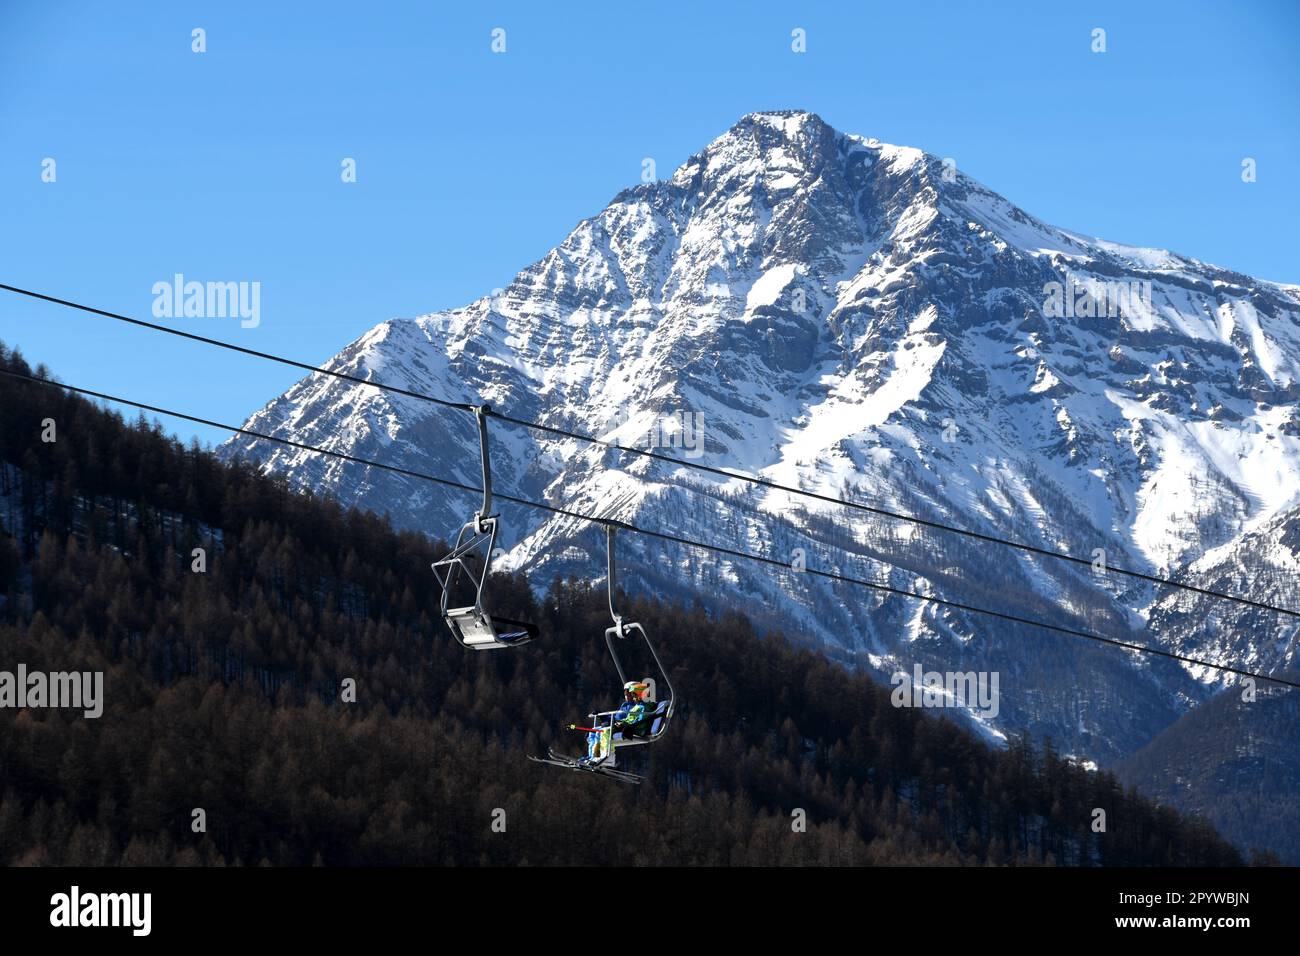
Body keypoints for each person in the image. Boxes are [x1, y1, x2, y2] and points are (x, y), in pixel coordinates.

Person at [582, 681, 651, 765]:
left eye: (629, 693)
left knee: (603, 732)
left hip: (624, 727)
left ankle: (604, 758)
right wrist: (603, 717)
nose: (627, 695)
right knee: (593, 731)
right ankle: (593, 756)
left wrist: (624, 724)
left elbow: (634, 720)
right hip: (617, 724)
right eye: (625, 693)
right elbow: (615, 717)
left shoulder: (636, 707)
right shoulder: (625, 705)